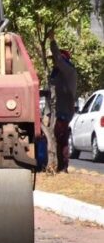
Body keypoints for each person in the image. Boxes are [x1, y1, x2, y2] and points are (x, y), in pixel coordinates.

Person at [49, 33, 78, 172]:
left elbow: (59, 60)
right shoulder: (57, 73)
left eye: (54, 59)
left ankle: (63, 166)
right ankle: (59, 165)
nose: (53, 62)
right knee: (56, 138)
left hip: (64, 109)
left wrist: (52, 41)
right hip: (57, 109)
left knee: (62, 138)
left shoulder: (68, 71)